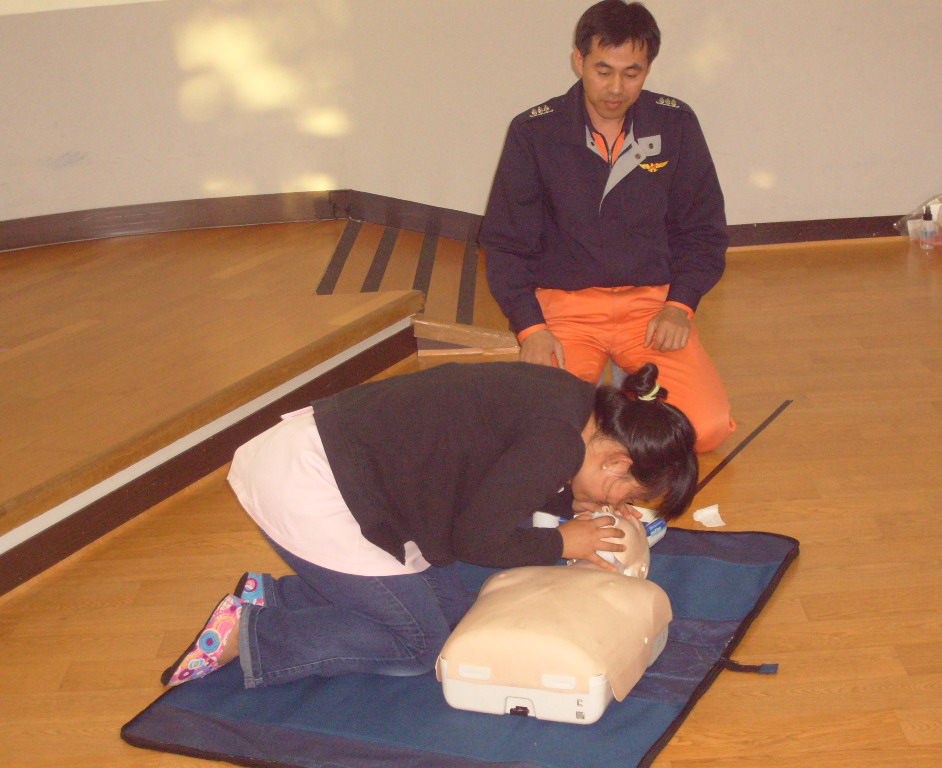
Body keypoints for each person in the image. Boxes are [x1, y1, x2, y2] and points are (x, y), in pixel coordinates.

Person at [161, 361, 697, 688]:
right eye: (631, 496)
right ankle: (249, 635)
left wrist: (571, 506)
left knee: (458, 615)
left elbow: (501, 479)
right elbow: (477, 539)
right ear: (619, 461)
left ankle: (275, 597)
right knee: (419, 645)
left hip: (345, 470)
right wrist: (562, 541)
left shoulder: (573, 403)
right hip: (313, 483)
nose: (620, 505)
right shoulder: (557, 443)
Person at [480, 0, 735, 453]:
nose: (616, 88)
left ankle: (622, 395)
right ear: (578, 60)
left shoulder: (676, 124)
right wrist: (530, 329)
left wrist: (680, 305)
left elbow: (703, 230)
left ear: (648, 69)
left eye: (631, 73)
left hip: (651, 309)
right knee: (545, 435)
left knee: (706, 428)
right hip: (565, 310)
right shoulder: (534, 132)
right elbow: (505, 244)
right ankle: (619, 401)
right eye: (603, 71)